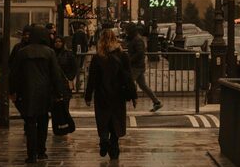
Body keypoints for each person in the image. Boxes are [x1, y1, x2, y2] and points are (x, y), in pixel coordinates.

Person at [9, 25, 66, 163]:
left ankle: (31, 154)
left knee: (30, 123)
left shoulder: (23, 52)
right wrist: (59, 92)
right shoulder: (49, 52)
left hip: (27, 91)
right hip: (44, 92)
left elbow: (14, 74)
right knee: (43, 121)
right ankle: (41, 151)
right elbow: (55, 74)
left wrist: (12, 91)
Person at [85, 28, 135, 160]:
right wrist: (133, 95)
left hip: (102, 94)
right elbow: (129, 76)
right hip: (118, 94)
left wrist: (88, 95)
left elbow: (92, 79)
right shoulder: (122, 55)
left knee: (102, 119)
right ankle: (114, 146)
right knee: (116, 120)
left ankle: (103, 139)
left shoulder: (98, 57)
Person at [124, 22, 162, 112]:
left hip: (136, 67)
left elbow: (139, 53)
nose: (125, 31)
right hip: (138, 66)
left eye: (126, 29)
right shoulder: (135, 38)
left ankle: (122, 103)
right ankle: (157, 102)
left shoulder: (137, 39)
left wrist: (129, 60)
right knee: (143, 85)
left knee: (127, 84)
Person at [53, 35, 77, 103]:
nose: (57, 43)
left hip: (65, 83)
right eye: (56, 42)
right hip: (55, 83)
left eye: (59, 41)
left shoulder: (69, 54)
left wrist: (70, 78)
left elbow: (74, 67)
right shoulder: (51, 54)